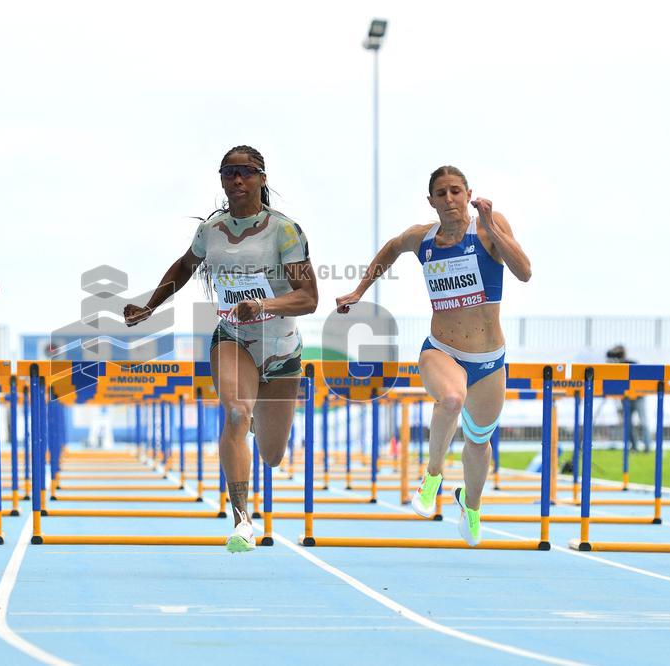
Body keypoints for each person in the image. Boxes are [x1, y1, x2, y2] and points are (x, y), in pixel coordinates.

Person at [123, 145, 318, 553]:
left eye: (246, 172)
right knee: (234, 412)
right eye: (228, 173)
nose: (237, 180)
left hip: (282, 350)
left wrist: (263, 304)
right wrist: (149, 306)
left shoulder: (285, 231)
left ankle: (249, 421)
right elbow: (183, 265)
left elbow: (308, 298)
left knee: (273, 455)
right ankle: (243, 519)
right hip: (234, 338)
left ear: (262, 178)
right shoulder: (211, 231)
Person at [336, 166, 531, 546]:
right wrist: (360, 291)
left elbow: (523, 272)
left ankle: (470, 505)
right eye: (441, 194)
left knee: (479, 442)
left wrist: (492, 224)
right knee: (452, 399)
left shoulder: (488, 227)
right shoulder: (421, 239)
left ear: (468, 193)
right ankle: (433, 475)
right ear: (431, 201)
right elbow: (391, 248)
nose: (449, 199)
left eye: (456, 191)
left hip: (490, 360)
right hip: (441, 351)